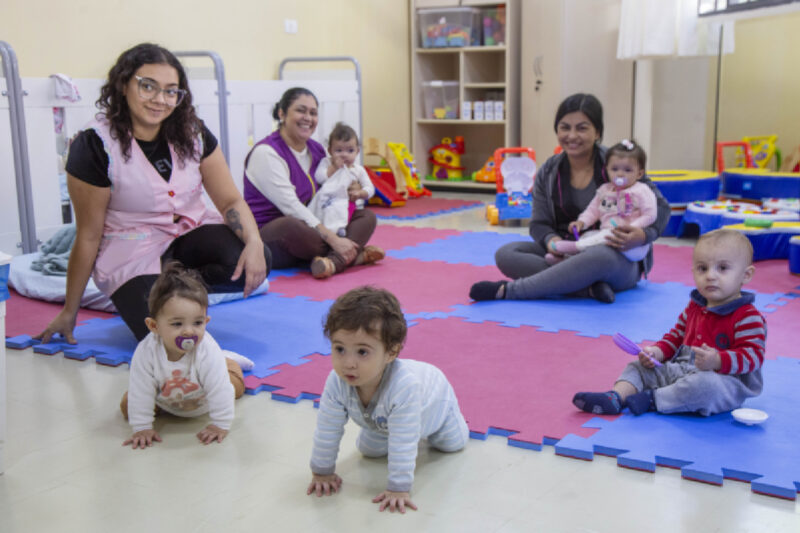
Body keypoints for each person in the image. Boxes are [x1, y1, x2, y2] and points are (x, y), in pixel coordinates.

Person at [35, 43, 270, 343]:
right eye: (148, 86)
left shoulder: (192, 132)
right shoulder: (95, 144)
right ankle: (152, 288)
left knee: (254, 258)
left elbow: (230, 200)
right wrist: (70, 311)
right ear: (123, 84)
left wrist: (254, 241)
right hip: (130, 248)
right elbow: (89, 235)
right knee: (158, 331)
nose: (160, 99)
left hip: (187, 233)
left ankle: (175, 284)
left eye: (171, 91)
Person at [469, 93, 670, 304]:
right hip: (565, 251)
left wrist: (644, 235)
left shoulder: (618, 164)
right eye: (565, 127)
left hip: (616, 255)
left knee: (599, 257)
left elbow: (661, 207)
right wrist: (551, 240)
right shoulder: (548, 170)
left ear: (597, 132)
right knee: (506, 253)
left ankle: (509, 291)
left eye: (582, 128)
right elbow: (539, 224)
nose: (572, 136)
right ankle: (586, 290)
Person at [307, 286, 469, 513]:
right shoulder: (337, 381)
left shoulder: (405, 386)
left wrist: (398, 488)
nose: (348, 363)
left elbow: (403, 441)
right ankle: (383, 424)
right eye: (340, 349)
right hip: (379, 421)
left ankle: (454, 420)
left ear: (391, 352)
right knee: (368, 451)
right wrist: (322, 471)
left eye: (362, 352)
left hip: (435, 404)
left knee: (452, 444)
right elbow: (327, 428)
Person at [572, 229, 766, 417]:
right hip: (681, 370)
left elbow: (753, 357)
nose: (710, 275)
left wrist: (717, 360)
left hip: (724, 381)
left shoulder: (747, 316)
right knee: (638, 367)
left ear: (746, 275)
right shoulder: (695, 305)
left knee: (705, 388)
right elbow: (675, 336)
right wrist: (657, 352)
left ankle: (652, 400)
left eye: (722, 268)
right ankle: (616, 397)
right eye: (702, 268)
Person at [243, 87, 384, 279]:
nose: (308, 118)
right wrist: (334, 239)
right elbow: (292, 207)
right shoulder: (267, 153)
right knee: (292, 227)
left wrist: (354, 188)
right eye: (301, 110)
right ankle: (351, 254)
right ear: (282, 113)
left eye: (313, 113)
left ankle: (332, 262)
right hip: (276, 234)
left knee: (366, 217)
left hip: (316, 223)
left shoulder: (316, 150)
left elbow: (334, 186)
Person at [121, 263, 247, 449]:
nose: (189, 332)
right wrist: (142, 427)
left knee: (232, 385)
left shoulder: (206, 350)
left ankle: (228, 360)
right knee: (129, 403)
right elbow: (141, 390)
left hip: (204, 398)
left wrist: (220, 424)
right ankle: (162, 409)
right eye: (177, 324)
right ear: (154, 327)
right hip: (166, 399)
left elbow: (220, 391)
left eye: (197, 323)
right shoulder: (146, 351)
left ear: (206, 322)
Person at [547, 139, 657, 264]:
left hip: (633, 245)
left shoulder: (641, 191)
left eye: (627, 170)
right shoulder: (604, 190)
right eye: (614, 169)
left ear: (639, 173)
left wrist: (631, 229)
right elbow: (593, 211)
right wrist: (581, 222)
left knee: (605, 236)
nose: (620, 174)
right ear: (607, 170)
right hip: (607, 238)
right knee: (590, 236)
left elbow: (650, 215)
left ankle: (574, 248)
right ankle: (566, 260)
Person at [308, 122, 374, 237]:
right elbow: (319, 177)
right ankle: (332, 231)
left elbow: (370, 188)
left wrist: (360, 193)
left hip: (349, 205)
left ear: (357, 151)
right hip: (328, 202)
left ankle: (340, 229)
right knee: (326, 209)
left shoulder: (358, 170)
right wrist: (333, 168)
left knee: (364, 216)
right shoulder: (326, 163)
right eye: (338, 150)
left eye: (350, 151)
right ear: (330, 151)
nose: (344, 155)